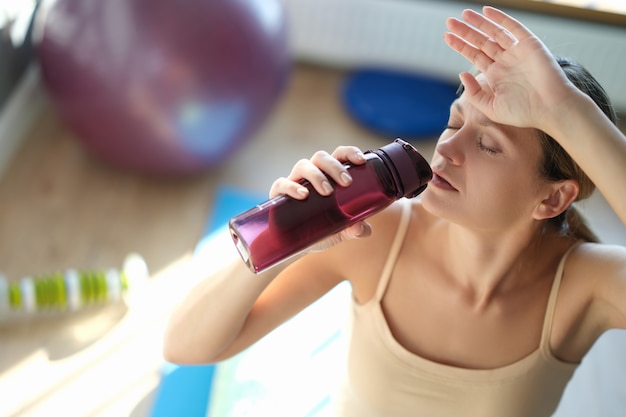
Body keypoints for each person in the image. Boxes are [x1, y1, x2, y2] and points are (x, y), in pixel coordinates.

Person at [163, 6, 626, 417]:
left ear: (552, 198)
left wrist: (568, 112)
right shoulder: (375, 235)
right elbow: (184, 346)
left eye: (487, 144)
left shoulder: (584, 289)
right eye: (456, 120)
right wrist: (285, 235)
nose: (448, 147)